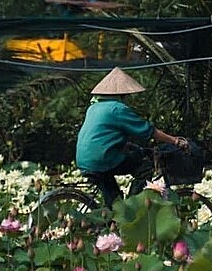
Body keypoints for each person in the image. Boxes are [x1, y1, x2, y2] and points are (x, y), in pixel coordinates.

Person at [75, 67, 189, 207]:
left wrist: (127, 145)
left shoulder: (94, 107)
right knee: (145, 167)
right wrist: (175, 141)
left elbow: (104, 136)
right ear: (122, 94)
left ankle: (115, 219)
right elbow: (148, 130)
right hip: (103, 159)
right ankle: (133, 207)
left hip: (85, 160)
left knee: (114, 203)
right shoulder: (117, 109)